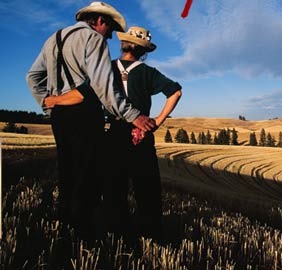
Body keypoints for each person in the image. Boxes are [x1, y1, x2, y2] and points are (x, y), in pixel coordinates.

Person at [26, 2, 155, 240]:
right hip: (84, 115)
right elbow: (102, 86)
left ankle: (65, 226)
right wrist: (133, 115)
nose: (108, 39)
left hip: (59, 118)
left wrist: (48, 102)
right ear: (100, 22)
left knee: (67, 170)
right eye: (110, 30)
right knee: (88, 175)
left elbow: (33, 77)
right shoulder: (93, 40)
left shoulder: (53, 39)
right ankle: (84, 235)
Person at [103, 26, 182, 243]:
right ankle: (150, 237)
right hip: (141, 134)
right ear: (143, 50)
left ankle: (116, 236)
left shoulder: (106, 69)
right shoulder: (148, 72)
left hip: (112, 133)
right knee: (147, 190)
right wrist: (157, 121)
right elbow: (176, 92)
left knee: (113, 188)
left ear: (123, 44)